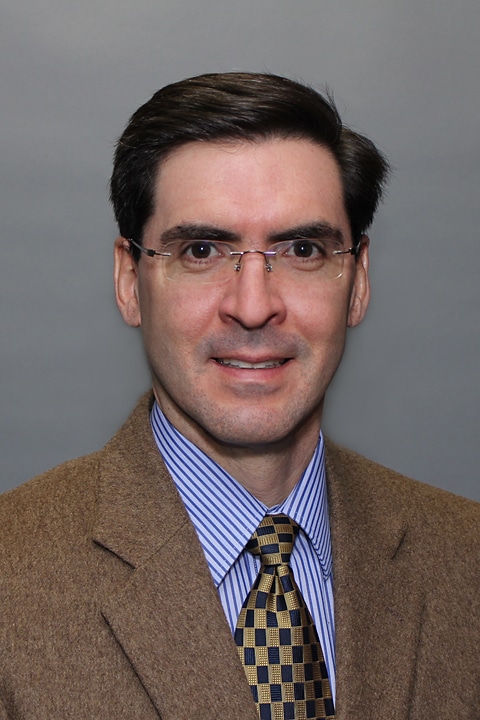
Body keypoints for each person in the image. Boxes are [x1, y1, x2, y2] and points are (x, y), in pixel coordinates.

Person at [0, 72, 479, 720]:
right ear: (129, 281)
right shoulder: (11, 579)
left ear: (359, 280)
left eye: (302, 249)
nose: (253, 307)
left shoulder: (466, 559)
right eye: (202, 250)